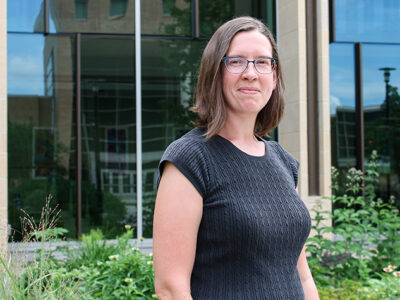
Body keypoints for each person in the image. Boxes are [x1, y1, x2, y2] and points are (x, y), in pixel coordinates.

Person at [153, 16, 319, 300]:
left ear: (275, 77)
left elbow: (301, 273)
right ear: (214, 73)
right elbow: (171, 288)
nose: (251, 73)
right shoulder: (190, 160)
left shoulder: (283, 161)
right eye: (237, 61)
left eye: (262, 62)